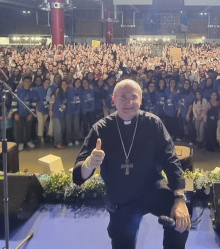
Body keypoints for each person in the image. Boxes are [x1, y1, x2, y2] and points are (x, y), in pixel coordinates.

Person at [72, 79, 190, 249]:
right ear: (113, 99)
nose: (128, 102)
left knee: (181, 217)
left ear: (141, 100)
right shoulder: (101, 129)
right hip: (121, 197)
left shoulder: (153, 124)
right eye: (123, 97)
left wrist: (179, 199)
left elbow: (170, 160)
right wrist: (90, 164)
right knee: (122, 241)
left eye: (133, 97)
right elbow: (77, 177)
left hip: (153, 189)